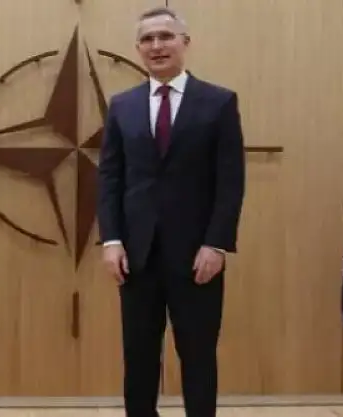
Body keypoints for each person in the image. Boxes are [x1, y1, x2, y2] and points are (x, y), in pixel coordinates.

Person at [97, 7, 245, 417]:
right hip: (136, 256)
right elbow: (110, 178)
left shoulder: (218, 102)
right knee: (139, 357)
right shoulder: (122, 105)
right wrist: (111, 240)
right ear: (138, 48)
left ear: (185, 42)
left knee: (197, 355)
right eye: (147, 39)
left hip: (197, 255)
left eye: (165, 36)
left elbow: (230, 182)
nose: (156, 46)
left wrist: (217, 244)